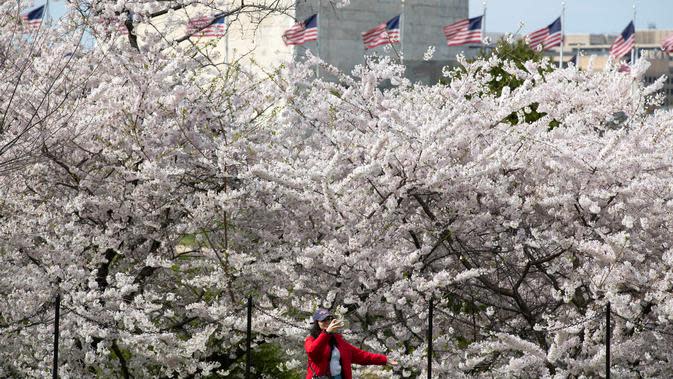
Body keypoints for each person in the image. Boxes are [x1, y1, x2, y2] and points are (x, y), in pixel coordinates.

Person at [304, 308, 398, 379]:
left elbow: (361, 355)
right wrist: (326, 333)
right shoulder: (311, 340)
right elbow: (313, 351)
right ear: (317, 322)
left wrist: (384, 360)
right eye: (323, 320)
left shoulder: (338, 340)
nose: (326, 322)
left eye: (328, 319)